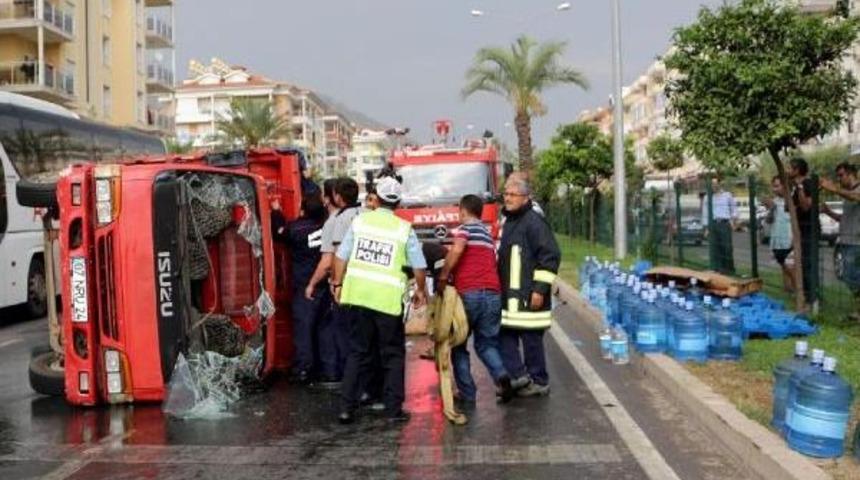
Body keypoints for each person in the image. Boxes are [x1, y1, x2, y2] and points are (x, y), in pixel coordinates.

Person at [332, 176, 428, 424]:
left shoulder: (360, 222)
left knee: (357, 353)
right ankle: (393, 410)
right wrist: (420, 290)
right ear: (398, 203)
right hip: (387, 302)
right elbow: (419, 266)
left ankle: (345, 408)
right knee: (393, 355)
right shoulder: (404, 229)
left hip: (358, 298)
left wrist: (338, 284)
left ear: (377, 198)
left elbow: (340, 257)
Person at [437, 194, 514, 406]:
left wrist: (443, 276)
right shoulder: (487, 234)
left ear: (463, 211)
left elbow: (458, 250)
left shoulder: (465, 229)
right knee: (487, 343)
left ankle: (468, 394)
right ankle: (501, 375)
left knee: (459, 345)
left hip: (469, 293)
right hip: (492, 294)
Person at [497, 175, 560, 397]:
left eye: (513, 194)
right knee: (504, 337)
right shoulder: (511, 221)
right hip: (511, 298)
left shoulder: (533, 222)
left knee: (531, 341)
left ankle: (539, 381)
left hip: (528, 296)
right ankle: (519, 376)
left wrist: (539, 289)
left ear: (525, 198)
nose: (508, 198)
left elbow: (550, 256)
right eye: (506, 193)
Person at [271, 192, 328, 384]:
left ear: (303, 210)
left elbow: (279, 232)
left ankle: (304, 369)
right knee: (324, 328)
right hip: (326, 283)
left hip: (305, 286)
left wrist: (276, 211)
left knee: (304, 329)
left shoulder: (296, 229)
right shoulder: (328, 226)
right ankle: (325, 368)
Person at [821, 161, 860, 317]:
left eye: (841, 175)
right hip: (846, 241)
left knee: (852, 275)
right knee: (847, 276)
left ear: (851, 174)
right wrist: (828, 211)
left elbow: (856, 197)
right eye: (837, 177)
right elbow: (844, 218)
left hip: (857, 242)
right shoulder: (847, 194)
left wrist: (834, 189)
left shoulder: (855, 191)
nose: (839, 179)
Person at [789, 157, 819, 309]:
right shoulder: (793, 186)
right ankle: (806, 294)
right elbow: (791, 208)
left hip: (809, 228)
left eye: (791, 168)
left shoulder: (807, 184)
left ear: (797, 170)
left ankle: (812, 298)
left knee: (808, 264)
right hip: (799, 228)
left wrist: (800, 188)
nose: (788, 171)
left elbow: (806, 206)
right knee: (801, 262)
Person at [764, 176, 795, 293]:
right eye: (773, 186)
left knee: (791, 266)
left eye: (777, 186)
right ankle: (787, 289)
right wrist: (771, 209)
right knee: (782, 264)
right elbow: (768, 220)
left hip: (790, 239)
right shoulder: (775, 201)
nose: (774, 189)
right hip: (778, 239)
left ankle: (797, 290)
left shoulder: (792, 200)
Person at [705, 177, 737, 275]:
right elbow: (705, 212)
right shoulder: (708, 197)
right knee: (715, 247)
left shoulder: (727, 195)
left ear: (720, 184)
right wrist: (706, 227)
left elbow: (734, 208)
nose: (714, 186)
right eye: (712, 184)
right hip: (713, 223)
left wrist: (732, 220)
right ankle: (717, 269)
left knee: (726, 247)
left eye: (715, 183)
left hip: (724, 223)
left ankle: (729, 269)